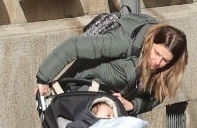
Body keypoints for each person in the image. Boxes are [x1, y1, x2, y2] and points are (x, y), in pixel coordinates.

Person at [36, 11, 188, 116]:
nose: (157, 62)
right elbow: (74, 46)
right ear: (151, 41)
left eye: (165, 60)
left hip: (112, 109)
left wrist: (133, 105)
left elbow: (156, 96)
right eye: (157, 53)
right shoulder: (124, 41)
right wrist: (44, 79)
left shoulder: (165, 69)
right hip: (84, 91)